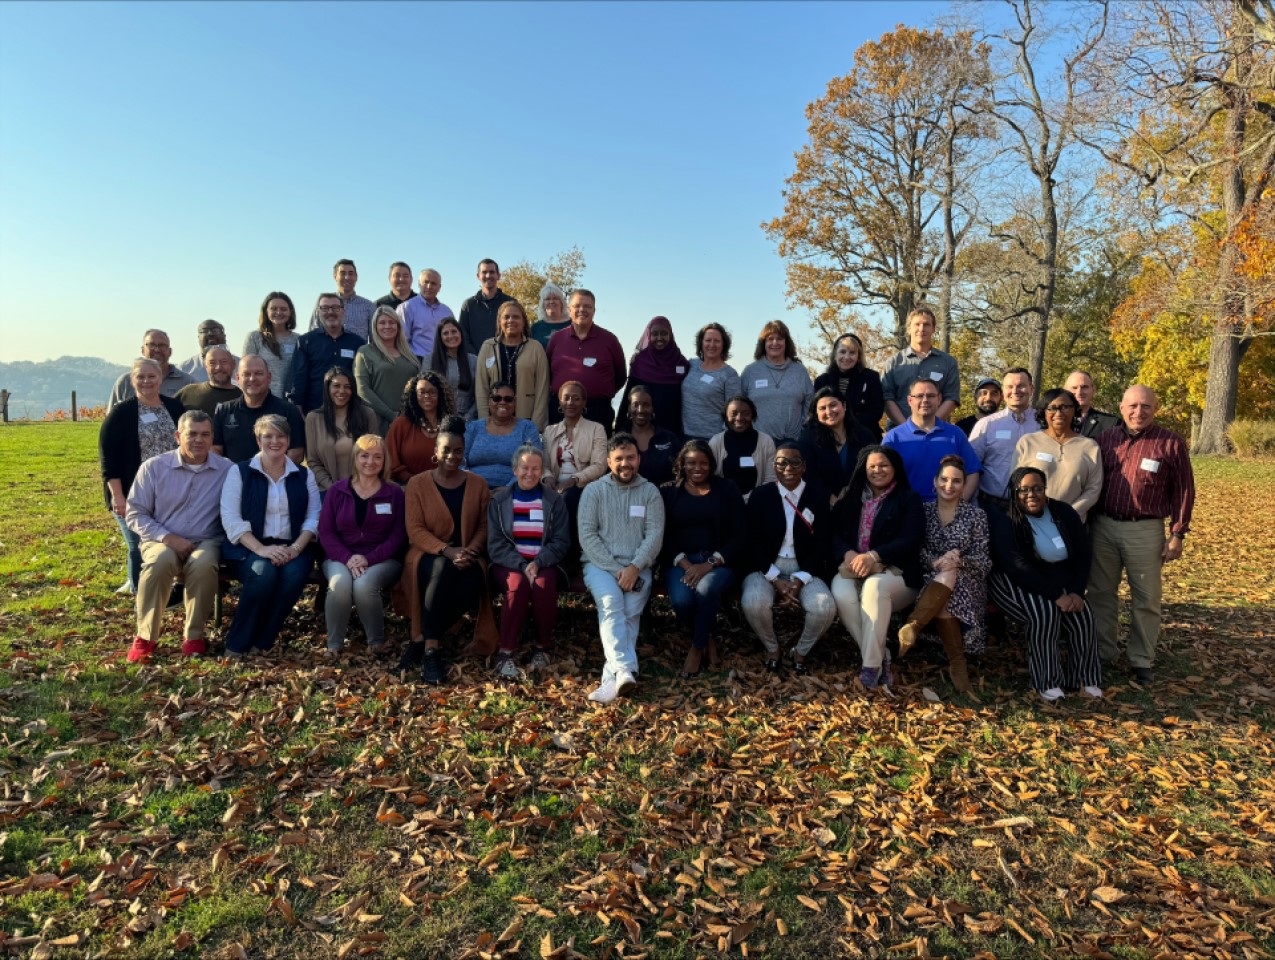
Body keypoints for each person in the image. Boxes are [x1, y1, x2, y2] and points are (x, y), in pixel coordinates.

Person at [1088, 385, 1194, 685]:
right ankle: (1101, 652)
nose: (1138, 412)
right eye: (1132, 406)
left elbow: (1184, 490)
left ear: (1155, 408)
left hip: (1145, 529)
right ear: (1121, 408)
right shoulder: (1105, 440)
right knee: (1099, 593)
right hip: (1104, 526)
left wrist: (1178, 532)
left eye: (1145, 406)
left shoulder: (1170, 443)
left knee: (1146, 598)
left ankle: (1140, 659)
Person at [988, 466, 1103, 702]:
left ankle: (1084, 679)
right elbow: (1017, 566)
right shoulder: (1006, 519)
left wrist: (1075, 592)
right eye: (1024, 490)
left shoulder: (1063, 512)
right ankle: (1047, 682)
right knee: (1044, 613)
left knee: (1083, 614)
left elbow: (1082, 555)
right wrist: (1056, 595)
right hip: (1012, 582)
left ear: (1045, 490)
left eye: (1038, 488)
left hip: (1059, 579)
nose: (1032, 495)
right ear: (1014, 491)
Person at [124, 411, 231, 661]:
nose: (198, 440)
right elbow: (135, 513)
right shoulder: (154, 467)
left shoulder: (227, 470)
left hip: (207, 540)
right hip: (162, 538)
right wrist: (167, 537)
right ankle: (145, 636)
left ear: (212, 437)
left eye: (205, 434)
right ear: (177, 436)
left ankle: (194, 636)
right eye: (191, 434)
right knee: (159, 562)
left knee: (203, 564)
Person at [398, 416, 498, 684]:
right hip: (427, 555)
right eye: (446, 450)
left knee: (474, 581)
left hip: (469, 555)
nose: (452, 456)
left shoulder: (477, 484)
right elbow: (415, 530)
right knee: (441, 570)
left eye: (457, 451)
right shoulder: (418, 484)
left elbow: (483, 526)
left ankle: (420, 639)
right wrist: (447, 551)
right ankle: (431, 649)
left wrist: (468, 551)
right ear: (436, 452)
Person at [219, 414, 320, 658]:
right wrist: (261, 550)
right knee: (263, 575)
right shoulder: (240, 472)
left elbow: (314, 517)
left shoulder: (304, 475)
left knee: (294, 576)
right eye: (268, 436)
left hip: (294, 546)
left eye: (281, 436)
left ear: (288, 440)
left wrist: (295, 549)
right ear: (258, 440)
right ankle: (237, 644)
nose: (275, 441)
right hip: (250, 546)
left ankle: (263, 641)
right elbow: (231, 518)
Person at [578, 432, 666, 704]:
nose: (625, 463)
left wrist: (634, 567)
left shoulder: (650, 492)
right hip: (600, 566)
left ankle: (610, 678)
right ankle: (625, 669)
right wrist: (618, 569)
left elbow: (654, 535)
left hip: (639, 568)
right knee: (610, 601)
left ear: (639, 459)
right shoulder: (594, 491)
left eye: (630, 457)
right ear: (608, 461)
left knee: (629, 611)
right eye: (619, 459)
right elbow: (587, 536)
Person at [830, 445, 926, 689]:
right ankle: (881, 657)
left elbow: (911, 538)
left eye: (884, 465)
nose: (877, 470)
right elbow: (830, 534)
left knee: (873, 588)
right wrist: (847, 552)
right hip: (852, 566)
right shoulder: (849, 496)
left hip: (897, 571)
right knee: (841, 593)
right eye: (872, 466)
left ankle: (870, 667)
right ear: (864, 468)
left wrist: (874, 555)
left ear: (895, 468)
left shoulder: (908, 498)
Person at [895, 456, 990, 694]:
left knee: (950, 579)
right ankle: (958, 664)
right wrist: (935, 561)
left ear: (964, 484)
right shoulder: (922, 511)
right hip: (929, 574)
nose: (949, 486)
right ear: (935, 482)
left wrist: (959, 561)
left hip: (968, 580)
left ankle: (914, 627)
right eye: (944, 479)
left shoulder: (976, 516)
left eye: (956, 481)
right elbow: (912, 548)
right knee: (946, 583)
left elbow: (984, 560)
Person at [742, 441, 836, 673]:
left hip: (805, 566)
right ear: (774, 466)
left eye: (795, 462)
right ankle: (773, 648)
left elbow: (822, 542)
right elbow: (751, 541)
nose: (788, 468)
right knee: (753, 603)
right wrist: (775, 578)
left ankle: (801, 652)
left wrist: (800, 579)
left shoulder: (817, 496)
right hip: (765, 566)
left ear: (804, 466)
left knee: (824, 607)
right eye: (781, 462)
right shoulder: (761, 495)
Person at [660, 441, 747, 677]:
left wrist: (708, 564)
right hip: (680, 561)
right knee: (681, 602)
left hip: (719, 562)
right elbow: (663, 536)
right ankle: (707, 638)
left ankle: (697, 649)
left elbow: (740, 536)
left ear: (711, 464)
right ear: (682, 465)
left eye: (703, 463)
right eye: (691, 463)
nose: (697, 468)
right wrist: (688, 565)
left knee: (706, 590)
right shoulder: (668, 492)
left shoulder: (727, 489)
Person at [100, 358, 186, 594]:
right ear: (132, 380)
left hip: (169, 492)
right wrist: (118, 496)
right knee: (137, 544)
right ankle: (140, 594)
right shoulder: (121, 413)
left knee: (161, 543)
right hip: (131, 493)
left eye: (151, 376)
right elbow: (109, 460)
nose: (146, 381)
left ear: (160, 378)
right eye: (141, 377)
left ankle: (166, 591)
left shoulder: (175, 408)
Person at [487, 445, 572, 680]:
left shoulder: (554, 501)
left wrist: (539, 561)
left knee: (543, 586)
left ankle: (542, 647)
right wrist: (522, 565)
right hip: (509, 564)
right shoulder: (500, 500)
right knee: (517, 585)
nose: (530, 473)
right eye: (525, 467)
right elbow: (495, 545)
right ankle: (506, 652)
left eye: (536, 468)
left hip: (544, 563)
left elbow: (561, 541)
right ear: (515, 470)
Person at [318, 434, 406, 655]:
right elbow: (326, 532)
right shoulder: (337, 491)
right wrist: (348, 558)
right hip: (340, 557)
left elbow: (398, 536)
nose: (370, 462)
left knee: (364, 585)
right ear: (355, 458)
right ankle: (334, 644)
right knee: (339, 584)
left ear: (385, 460)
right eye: (364, 455)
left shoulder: (394, 493)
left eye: (377, 456)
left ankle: (375, 642)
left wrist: (369, 558)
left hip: (383, 559)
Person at [883, 377, 982, 501]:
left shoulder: (955, 434)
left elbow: (972, 472)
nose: (925, 400)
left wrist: (958, 505)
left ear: (939, 399)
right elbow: (882, 478)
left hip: (946, 510)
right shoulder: (893, 438)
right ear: (909, 400)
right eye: (919, 396)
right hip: (906, 512)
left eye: (930, 396)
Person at [542, 380, 608, 558]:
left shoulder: (596, 429)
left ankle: (569, 555)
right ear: (560, 402)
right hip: (554, 484)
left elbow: (600, 465)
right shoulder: (549, 431)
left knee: (569, 498)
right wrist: (547, 477)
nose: (571, 402)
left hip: (584, 485)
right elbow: (544, 464)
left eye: (576, 398)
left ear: (584, 402)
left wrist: (574, 480)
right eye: (566, 398)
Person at [1015, 388, 1103, 522]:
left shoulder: (1090, 447)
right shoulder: (1028, 442)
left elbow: (1093, 489)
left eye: (1065, 407)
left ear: (1074, 410)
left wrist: (1068, 514)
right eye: (1052, 408)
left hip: (1072, 522)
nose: (1058, 413)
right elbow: (1016, 483)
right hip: (1033, 521)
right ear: (1043, 412)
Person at [545, 289, 627, 432]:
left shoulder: (609, 340)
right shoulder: (556, 339)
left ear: (594, 310)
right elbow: (547, 374)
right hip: (561, 411)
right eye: (577, 306)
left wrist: (600, 392)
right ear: (569, 309)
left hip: (598, 412)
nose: (582, 310)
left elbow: (620, 376)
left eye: (587, 306)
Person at [213, 355, 305, 464]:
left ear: (269, 377)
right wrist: (235, 476)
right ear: (238, 379)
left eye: (259, 373)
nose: (252, 378)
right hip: (234, 478)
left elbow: (297, 453)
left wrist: (271, 476)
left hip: (274, 479)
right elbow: (215, 450)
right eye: (246, 374)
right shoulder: (223, 411)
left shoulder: (289, 411)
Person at [474, 300, 550, 430]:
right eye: (506, 317)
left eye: (516, 317)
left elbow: (542, 390)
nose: (511, 320)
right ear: (499, 321)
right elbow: (481, 388)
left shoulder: (535, 348)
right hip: (495, 423)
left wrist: (535, 426)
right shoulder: (488, 347)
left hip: (526, 421)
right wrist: (484, 423)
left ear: (524, 321)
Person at [970, 367, 1039, 510]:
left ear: (1031, 389)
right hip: (993, 507)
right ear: (1003, 391)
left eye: (1021, 386)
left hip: (1034, 507)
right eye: (1009, 387)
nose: (1015, 391)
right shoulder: (987, 425)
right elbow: (971, 468)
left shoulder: (1043, 423)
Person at [880, 306, 961, 426]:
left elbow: (952, 397)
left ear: (934, 329)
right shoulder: (893, 363)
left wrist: (931, 424)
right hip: (899, 431)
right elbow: (886, 398)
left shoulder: (948, 363)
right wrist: (906, 428)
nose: (922, 328)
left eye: (927, 324)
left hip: (937, 431)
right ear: (908, 329)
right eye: (917, 324)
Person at [304, 367, 376, 492]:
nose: (342, 391)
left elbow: (376, 454)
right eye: (336, 386)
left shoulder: (367, 415)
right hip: (328, 492)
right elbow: (313, 461)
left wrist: (358, 487)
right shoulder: (313, 418)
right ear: (327, 388)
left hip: (363, 491)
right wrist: (334, 488)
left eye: (347, 387)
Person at [291, 293, 365, 414]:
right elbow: (298, 381)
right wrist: (298, 412)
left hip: (349, 414)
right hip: (314, 412)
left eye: (335, 308)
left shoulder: (358, 343)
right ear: (318, 312)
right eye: (324, 308)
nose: (330, 312)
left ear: (343, 311)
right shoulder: (305, 342)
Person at [740, 320, 813, 442]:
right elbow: (740, 403)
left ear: (786, 342)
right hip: (757, 442)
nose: (775, 343)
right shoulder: (750, 371)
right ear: (763, 343)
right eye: (770, 339)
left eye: (779, 338)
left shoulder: (799, 371)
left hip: (792, 442)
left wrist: (803, 429)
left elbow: (810, 402)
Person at [616, 316, 689, 436]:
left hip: (671, 428)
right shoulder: (639, 362)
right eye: (655, 334)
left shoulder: (681, 363)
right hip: (641, 427)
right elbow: (627, 398)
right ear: (649, 336)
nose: (659, 338)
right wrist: (619, 428)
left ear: (671, 335)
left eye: (664, 333)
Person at [798, 387, 875, 499]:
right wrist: (829, 497)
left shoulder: (864, 435)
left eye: (833, 405)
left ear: (844, 406)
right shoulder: (808, 437)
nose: (828, 412)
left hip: (861, 500)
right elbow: (808, 474)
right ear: (816, 413)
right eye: (822, 408)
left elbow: (872, 468)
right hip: (821, 502)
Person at [463, 382, 543, 489]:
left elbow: (534, 462)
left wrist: (509, 489)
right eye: (496, 398)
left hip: (516, 489)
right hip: (473, 488)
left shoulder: (527, 428)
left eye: (508, 399)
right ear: (489, 401)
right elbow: (460, 460)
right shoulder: (473, 427)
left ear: (514, 402)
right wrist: (473, 486)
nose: (502, 402)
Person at [355, 306, 420, 433]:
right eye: (382, 323)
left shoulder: (409, 354)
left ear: (398, 326)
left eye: (391, 322)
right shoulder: (365, 352)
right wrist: (391, 415)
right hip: (376, 421)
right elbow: (362, 389)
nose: (387, 326)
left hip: (409, 421)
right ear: (375, 326)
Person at [812, 333, 884, 439]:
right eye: (842, 352)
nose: (846, 357)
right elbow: (816, 412)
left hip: (863, 435)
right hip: (829, 437)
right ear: (835, 355)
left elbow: (876, 411)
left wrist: (847, 427)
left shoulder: (871, 377)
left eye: (852, 353)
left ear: (858, 356)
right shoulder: (822, 381)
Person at [386, 372, 452, 485]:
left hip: (445, 486)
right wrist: (415, 481)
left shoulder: (451, 425)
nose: (427, 396)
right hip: (408, 486)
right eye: (422, 392)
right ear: (414, 395)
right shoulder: (401, 424)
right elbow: (390, 461)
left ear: (440, 395)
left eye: (432, 392)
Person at [708, 395, 777, 501]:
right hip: (724, 501)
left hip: (758, 501)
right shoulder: (716, 442)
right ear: (726, 417)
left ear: (753, 416)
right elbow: (711, 478)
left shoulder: (766, 441)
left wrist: (751, 500)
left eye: (746, 413)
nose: (739, 418)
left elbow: (770, 479)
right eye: (734, 414)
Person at [682, 323, 741, 441]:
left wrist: (722, 439)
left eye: (717, 341)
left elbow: (734, 411)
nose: (712, 345)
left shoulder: (730, 375)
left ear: (724, 345)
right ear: (701, 343)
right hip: (684, 435)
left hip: (712, 439)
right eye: (708, 340)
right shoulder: (691, 365)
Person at [108, 329, 193, 407]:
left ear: (170, 352)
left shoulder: (187, 383)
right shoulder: (125, 382)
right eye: (151, 345)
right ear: (142, 350)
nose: (156, 350)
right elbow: (111, 418)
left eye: (162, 346)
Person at [242, 292, 299, 399]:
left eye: (283, 309)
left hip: (290, 403)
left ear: (290, 312)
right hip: (263, 400)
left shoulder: (299, 340)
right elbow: (246, 372)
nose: (278, 312)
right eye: (274, 309)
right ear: (266, 311)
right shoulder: (254, 338)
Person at [623, 386, 679, 487]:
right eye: (635, 405)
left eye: (646, 405)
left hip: (665, 497)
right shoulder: (620, 439)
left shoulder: (668, 438)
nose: (640, 410)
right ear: (629, 408)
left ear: (653, 407)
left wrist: (673, 483)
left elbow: (682, 470)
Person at [458, 258, 516, 356]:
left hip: (505, 360)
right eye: (484, 272)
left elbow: (518, 332)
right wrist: (477, 357)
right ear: (478, 276)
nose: (488, 276)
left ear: (498, 276)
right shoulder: (468, 305)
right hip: (476, 362)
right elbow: (463, 335)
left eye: (492, 272)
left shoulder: (511, 303)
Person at [307, 259, 375, 340]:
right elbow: (312, 333)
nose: (347, 277)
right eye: (342, 273)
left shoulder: (368, 306)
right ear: (335, 276)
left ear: (356, 277)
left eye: (351, 273)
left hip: (358, 352)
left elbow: (374, 340)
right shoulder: (323, 303)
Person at [399, 268, 454, 360]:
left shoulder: (447, 312)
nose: (429, 286)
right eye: (426, 282)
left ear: (439, 288)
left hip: (443, 361)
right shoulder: (407, 308)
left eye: (433, 283)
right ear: (419, 284)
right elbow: (402, 341)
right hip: (417, 360)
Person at [429, 317, 477, 421]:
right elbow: (425, 393)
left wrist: (467, 418)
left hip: (468, 421)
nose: (450, 336)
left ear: (460, 334)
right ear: (440, 337)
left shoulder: (474, 360)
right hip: (438, 421)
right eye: (445, 333)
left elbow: (480, 394)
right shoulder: (429, 360)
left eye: (454, 331)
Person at [176, 346, 240, 417]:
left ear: (233, 364)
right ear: (206, 366)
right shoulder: (188, 393)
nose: (218, 367)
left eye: (224, 362)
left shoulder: (244, 398)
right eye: (212, 363)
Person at [1064, 370, 1121, 439]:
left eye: (1084, 387)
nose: (1079, 392)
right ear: (1065, 392)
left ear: (1093, 390)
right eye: (1074, 388)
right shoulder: (1052, 422)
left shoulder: (1111, 423)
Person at [529, 282, 570, 349]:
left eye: (555, 298)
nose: (551, 302)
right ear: (543, 304)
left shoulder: (572, 325)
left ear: (561, 302)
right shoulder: (535, 328)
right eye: (547, 299)